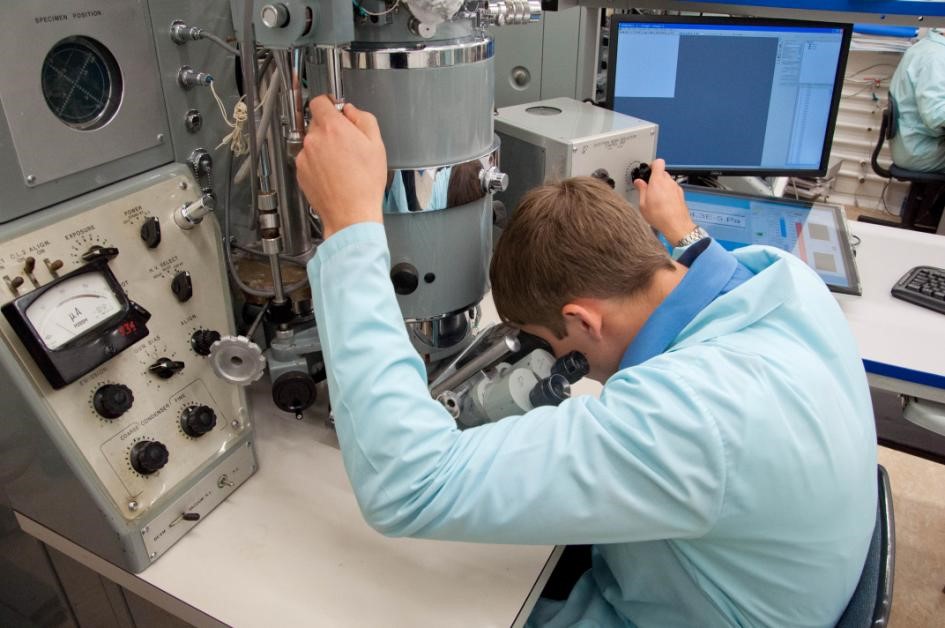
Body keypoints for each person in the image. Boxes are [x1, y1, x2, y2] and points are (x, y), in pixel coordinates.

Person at [295, 95, 877, 627]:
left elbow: (410, 485)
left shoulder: (685, 417)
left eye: (547, 343)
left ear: (582, 321)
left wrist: (350, 227)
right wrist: (682, 231)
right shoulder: (787, 281)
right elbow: (706, 263)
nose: (553, 361)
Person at [889, 28, 945, 172]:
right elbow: (936, 116)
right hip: (923, 151)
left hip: (914, 145)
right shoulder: (936, 57)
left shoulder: (927, 46)